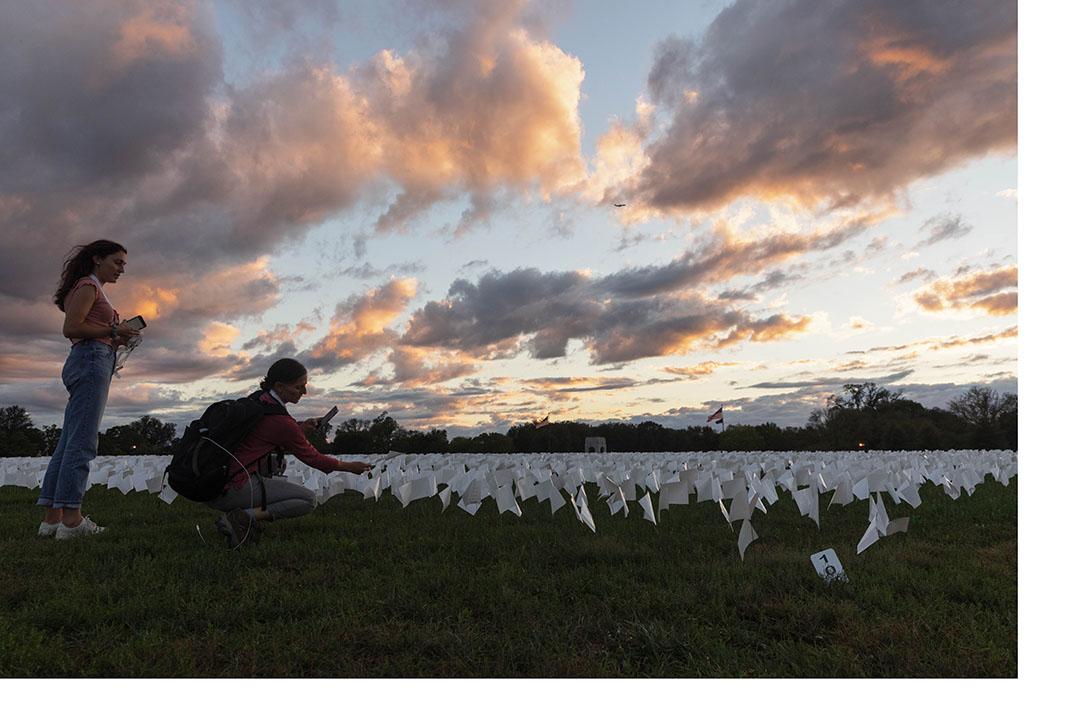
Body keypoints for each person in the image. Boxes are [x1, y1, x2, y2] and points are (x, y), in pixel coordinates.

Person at [208, 358, 373, 549]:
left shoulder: (259, 400)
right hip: (233, 487)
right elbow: (312, 457)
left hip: (216, 481)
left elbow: (269, 435)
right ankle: (243, 518)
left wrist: (301, 427)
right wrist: (348, 467)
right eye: (299, 387)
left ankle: (244, 518)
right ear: (279, 386)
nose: (304, 392)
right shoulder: (280, 420)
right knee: (307, 500)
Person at [38, 239, 141, 540]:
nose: (122, 269)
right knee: (82, 441)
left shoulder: (89, 287)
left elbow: (84, 329)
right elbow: (72, 329)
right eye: (118, 262)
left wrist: (117, 338)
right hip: (90, 360)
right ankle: (72, 520)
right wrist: (113, 330)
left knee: (68, 441)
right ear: (98, 259)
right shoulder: (89, 286)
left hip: (90, 358)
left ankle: (51, 519)